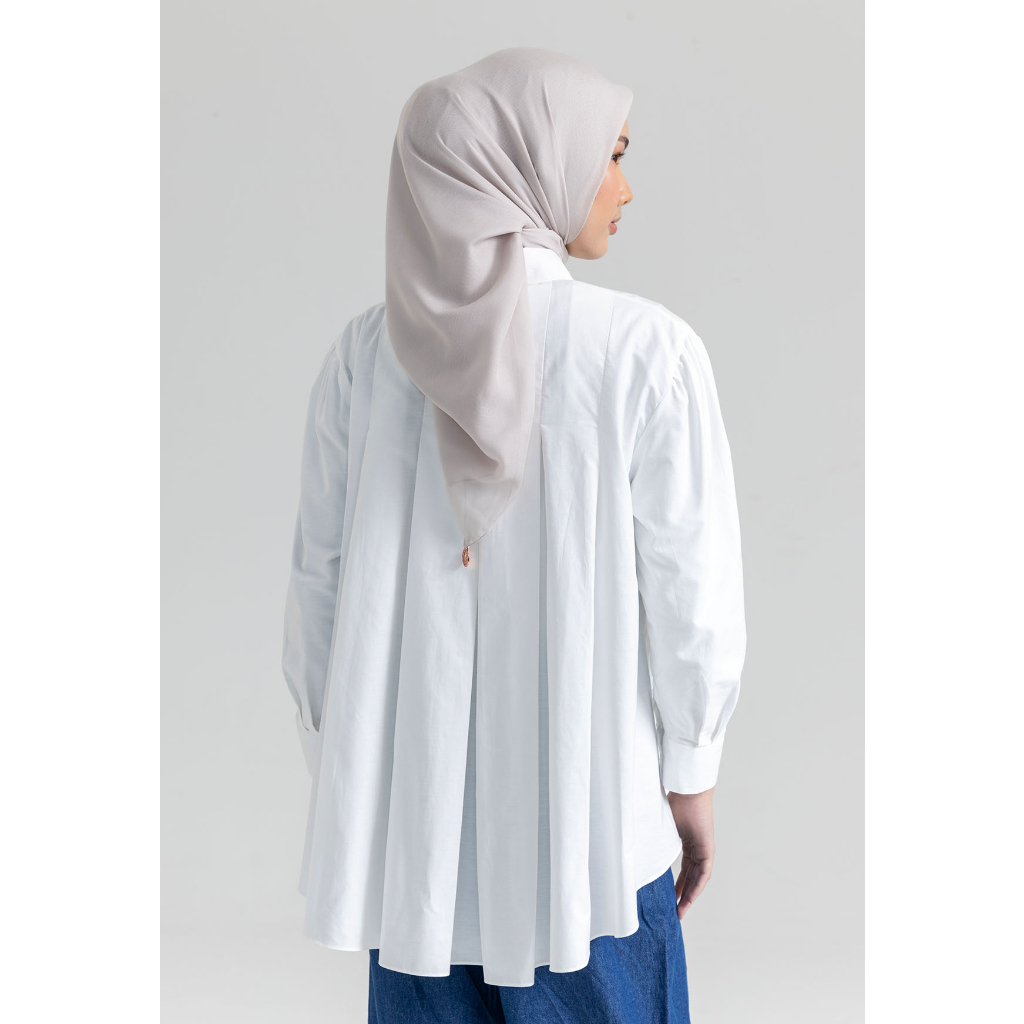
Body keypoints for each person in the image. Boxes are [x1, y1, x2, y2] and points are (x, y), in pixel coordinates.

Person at [282, 47, 747, 1023]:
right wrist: (690, 776)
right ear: (533, 162)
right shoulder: (645, 353)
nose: (625, 187)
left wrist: (363, 776)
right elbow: (689, 597)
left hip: (414, 872)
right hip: (594, 850)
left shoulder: (364, 360)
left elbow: (318, 598)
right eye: (611, 155)